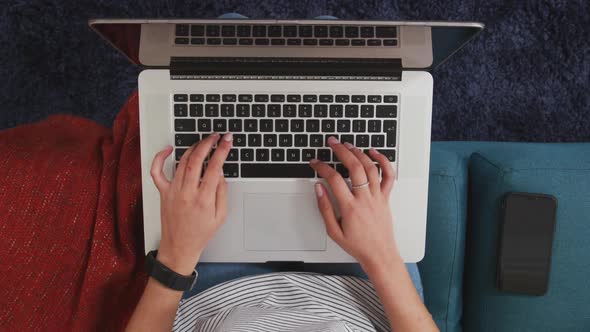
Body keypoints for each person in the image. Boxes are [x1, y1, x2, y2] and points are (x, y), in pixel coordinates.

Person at [124, 132, 437, 332]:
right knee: (329, 41)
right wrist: (381, 254)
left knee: (229, 39)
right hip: (369, 295)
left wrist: (174, 261)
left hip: (204, 293)